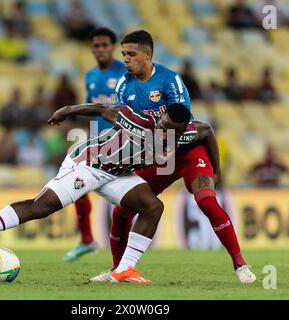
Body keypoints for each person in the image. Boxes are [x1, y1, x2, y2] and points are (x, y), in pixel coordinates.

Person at [89, 30, 255, 284]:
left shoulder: (170, 81)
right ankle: (118, 270)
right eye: (123, 54)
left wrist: (216, 171)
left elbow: (194, 126)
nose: (125, 59)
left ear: (148, 55)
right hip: (156, 157)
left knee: (207, 201)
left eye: (131, 54)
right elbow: (127, 126)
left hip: (188, 153)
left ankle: (240, 264)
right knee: (122, 211)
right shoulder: (124, 86)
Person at [0, 102, 192, 285]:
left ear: (181, 131)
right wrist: (68, 110)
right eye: (163, 127)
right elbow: (102, 110)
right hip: (88, 164)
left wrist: (213, 170)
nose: (163, 134)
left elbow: (207, 133)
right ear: (160, 119)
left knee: (153, 207)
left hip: (116, 173)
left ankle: (124, 270)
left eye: (171, 132)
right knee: (43, 206)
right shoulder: (138, 120)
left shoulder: (182, 136)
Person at [63, 27, 126, 262]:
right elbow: (93, 108)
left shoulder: (125, 72)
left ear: (112, 47)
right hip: (97, 142)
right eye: (96, 46)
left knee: (128, 197)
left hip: (123, 143)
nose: (100, 50)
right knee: (75, 183)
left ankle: (126, 251)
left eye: (104, 45)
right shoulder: (90, 76)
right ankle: (87, 239)